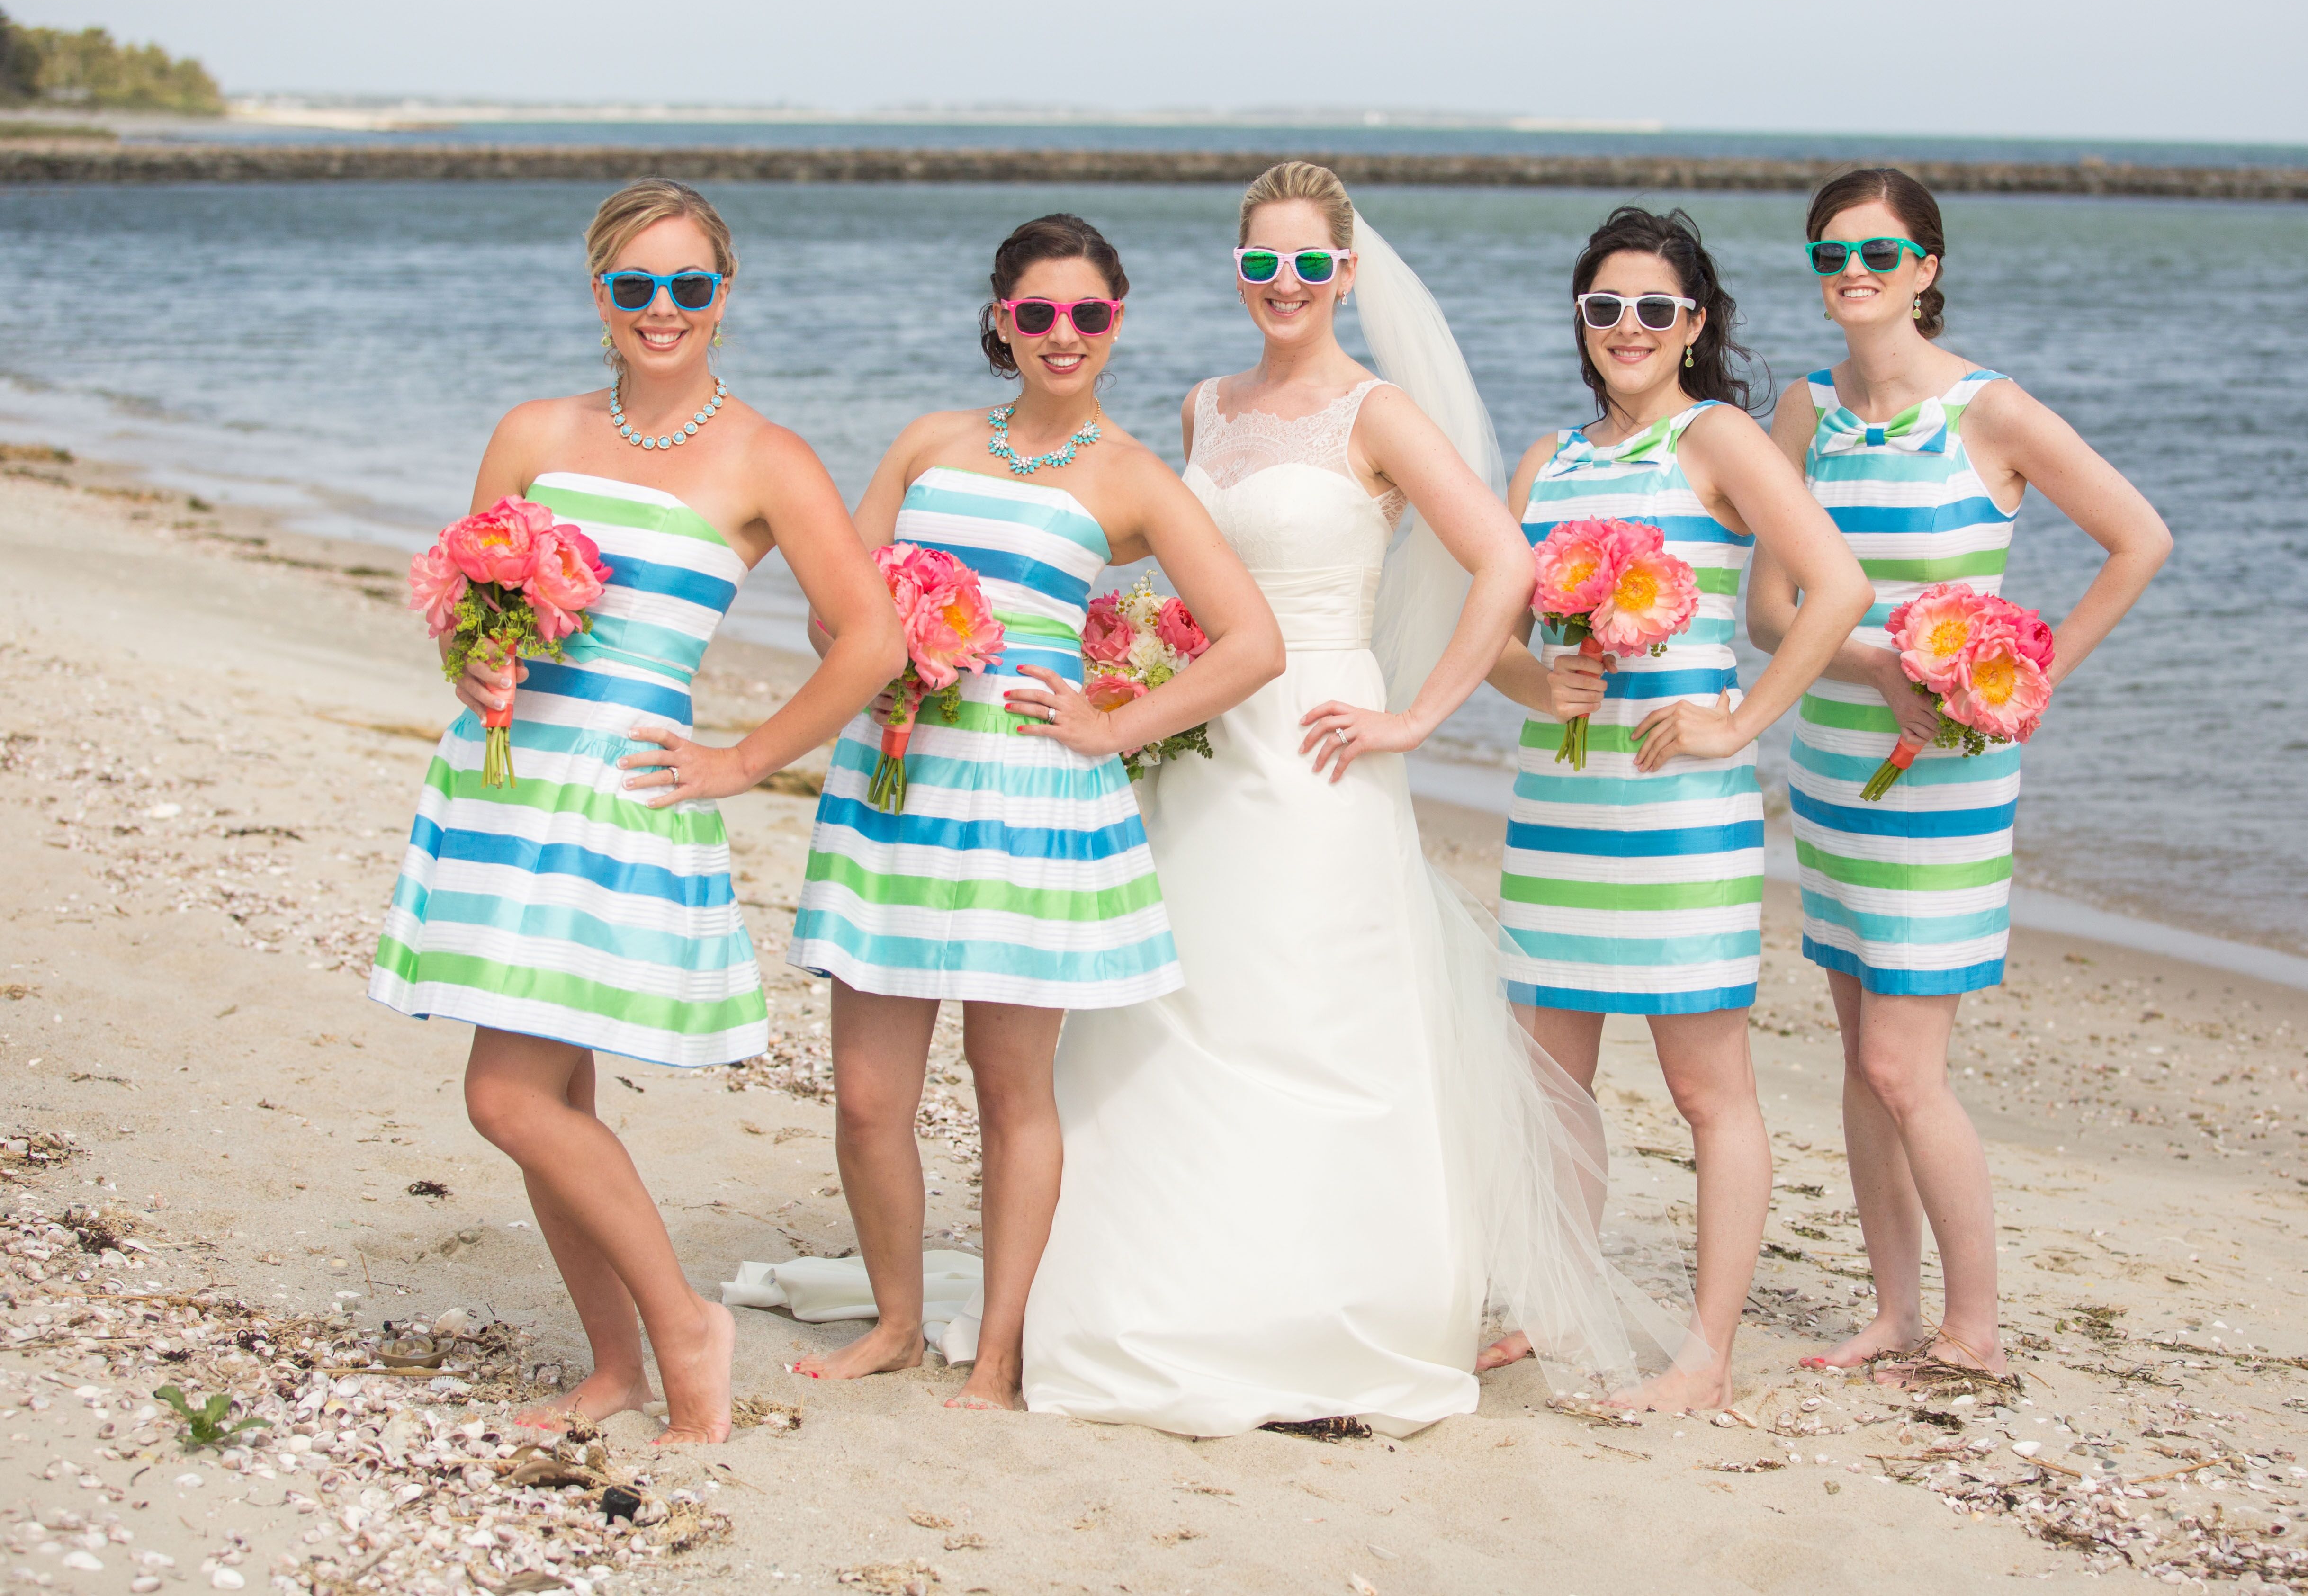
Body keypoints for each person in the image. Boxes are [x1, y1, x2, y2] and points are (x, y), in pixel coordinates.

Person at [1023, 163, 1698, 1437]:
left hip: (1329, 744)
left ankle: (1340, 1305)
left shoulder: (1374, 414)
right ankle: (1172, 1291)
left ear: (1345, 274)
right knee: (1180, 1011)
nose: (1285, 286)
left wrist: (1417, 715)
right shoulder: (1201, 407)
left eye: (1308, 265)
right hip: (1204, 742)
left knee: (1320, 1017)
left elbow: (1501, 560)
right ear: (1239, 272)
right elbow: (1168, 557)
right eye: (1261, 264)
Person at [369, 178, 907, 1444]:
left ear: (727, 295)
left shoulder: (767, 457)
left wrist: (743, 759)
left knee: (504, 1101)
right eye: (634, 287)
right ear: (598, 293)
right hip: (505, 789)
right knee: (553, 1102)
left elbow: (871, 640)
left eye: (690, 287)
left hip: (621, 804)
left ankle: (684, 1326)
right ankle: (614, 1368)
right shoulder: (532, 432)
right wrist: (474, 666)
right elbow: (465, 608)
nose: (662, 311)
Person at [787, 214, 1281, 1411]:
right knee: (866, 1097)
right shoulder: (925, 442)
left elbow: (1253, 640)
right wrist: (888, 652)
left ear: (1117, 325)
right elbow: (830, 611)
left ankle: (1000, 1349)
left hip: (1032, 802)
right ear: (1001, 317)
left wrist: (1112, 727)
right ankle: (898, 1319)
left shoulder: (1131, 478)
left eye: (1090, 315)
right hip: (897, 782)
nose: (1064, 336)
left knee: (1011, 1088)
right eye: (1040, 313)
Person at [1756, 168, 2171, 1373]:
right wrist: (1880, 656)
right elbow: (1766, 609)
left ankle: (1974, 1330)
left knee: (1901, 1062)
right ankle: (1890, 1311)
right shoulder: (1802, 412)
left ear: (1926, 270)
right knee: (1854, 1053)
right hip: (1832, 760)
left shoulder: (1988, 413)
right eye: (1830, 254)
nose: (1852, 275)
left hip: (1946, 780)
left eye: (1878, 256)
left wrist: (2023, 683)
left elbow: (2137, 538)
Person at [1482, 206, 1871, 1409]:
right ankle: (1554, 1303)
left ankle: (1703, 1354)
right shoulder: (1546, 459)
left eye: (1656, 308)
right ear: (1582, 322)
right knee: (1551, 1087)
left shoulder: (1721, 441)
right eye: (1605, 308)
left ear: (1695, 323)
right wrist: (1538, 678)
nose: (1629, 328)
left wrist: (1741, 719)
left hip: (1680, 814)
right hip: (1559, 804)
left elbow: (1838, 586)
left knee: (1710, 1091)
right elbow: (1493, 636)